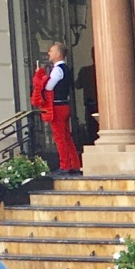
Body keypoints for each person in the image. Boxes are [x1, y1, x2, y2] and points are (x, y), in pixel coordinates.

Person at [43, 41, 82, 174]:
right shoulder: (65, 68)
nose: (49, 53)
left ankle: (65, 165)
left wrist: (40, 80)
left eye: (51, 51)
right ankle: (74, 163)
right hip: (64, 104)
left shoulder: (57, 70)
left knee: (60, 136)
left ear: (58, 54)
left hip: (57, 107)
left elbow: (49, 86)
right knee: (66, 136)